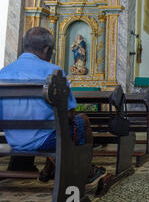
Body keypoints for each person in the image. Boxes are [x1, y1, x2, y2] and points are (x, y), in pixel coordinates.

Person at [0, 27, 106, 186]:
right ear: (46, 49)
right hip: (45, 141)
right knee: (81, 121)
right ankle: (83, 171)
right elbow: (69, 114)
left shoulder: (3, 73)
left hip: (13, 140)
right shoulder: (53, 72)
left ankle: (51, 166)